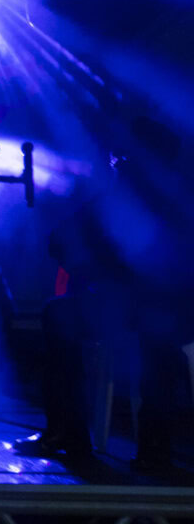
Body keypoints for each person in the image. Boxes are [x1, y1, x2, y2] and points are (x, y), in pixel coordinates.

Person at [17, 116, 194, 471]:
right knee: (151, 333)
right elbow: (63, 239)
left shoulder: (137, 195)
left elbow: (63, 240)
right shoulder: (161, 195)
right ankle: (152, 449)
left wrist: (97, 271)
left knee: (62, 316)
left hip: (151, 308)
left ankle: (71, 434)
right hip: (147, 308)